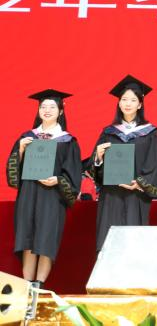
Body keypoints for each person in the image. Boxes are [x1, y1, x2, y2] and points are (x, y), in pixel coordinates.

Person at [7, 89, 82, 290]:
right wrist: (20, 150)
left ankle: (38, 288)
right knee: (28, 239)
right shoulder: (27, 138)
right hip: (28, 194)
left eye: (52, 107)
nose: (47, 110)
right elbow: (13, 176)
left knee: (46, 241)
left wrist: (58, 180)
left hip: (52, 197)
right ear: (38, 110)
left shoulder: (67, 141)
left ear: (61, 111)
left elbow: (73, 175)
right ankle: (27, 288)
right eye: (43, 107)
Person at [89, 75, 157, 252]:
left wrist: (140, 183)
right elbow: (94, 168)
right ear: (119, 103)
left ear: (140, 104)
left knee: (133, 244)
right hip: (111, 195)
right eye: (124, 99)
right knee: (109, 243)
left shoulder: (150, 132)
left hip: (135, 195)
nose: (128, 103)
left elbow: (153, 163)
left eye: (133, 100)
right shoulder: (109, 132)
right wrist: (98, 157)